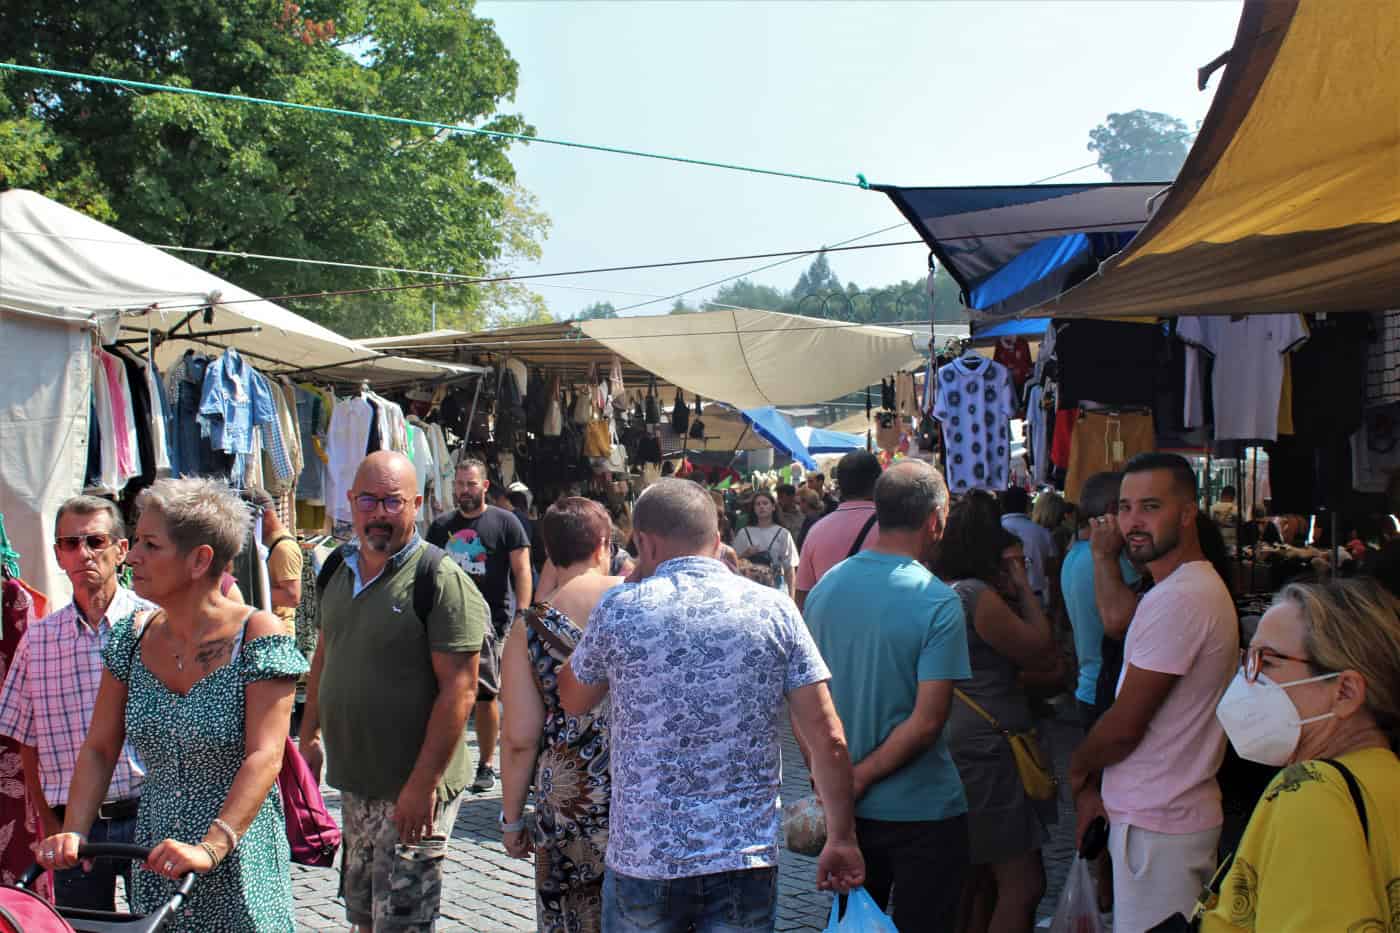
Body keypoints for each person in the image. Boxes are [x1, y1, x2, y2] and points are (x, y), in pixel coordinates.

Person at [557, 479, 864, 931]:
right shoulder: (774, 610)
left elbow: (573, 698)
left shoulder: (621, 609)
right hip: (742, 858)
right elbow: (829, 738)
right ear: (717, 540)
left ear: (644, 542)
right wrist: (842, 835)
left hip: (646, 856)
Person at [37, 477, 307, 929]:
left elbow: (266, 755)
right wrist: (76, 831)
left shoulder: (257, 637)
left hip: (238, 852)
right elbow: (100, 747)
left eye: (149, 544)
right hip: (157, 854)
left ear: (200, 560)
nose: (133, 556)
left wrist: (211, 847)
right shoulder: (131, 637)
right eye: (137, 540)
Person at [299, 451, 487, 932]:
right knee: (363, 915)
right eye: (368, 499)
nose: (378, 512)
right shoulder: (336, 569)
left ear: (417, 504)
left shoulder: (437, 579)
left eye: (392, 501)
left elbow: (459, 692)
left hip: (413, 789)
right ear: (350, 501)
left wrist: (422, 785)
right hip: (357, 782)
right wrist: (310, 736)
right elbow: (326, 654)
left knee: (401, 924)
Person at [1069, 453, 1239, 933]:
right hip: (1160, 817)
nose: (1132, 522)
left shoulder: (1182, 596)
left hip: (1161, 822)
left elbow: (1126, 725)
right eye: (1124, 508)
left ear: (1187, 513)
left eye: (1149, 507)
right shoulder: (1174, 590)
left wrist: (1079, 770)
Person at [803, 461, 971, 932]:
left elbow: (804, 706)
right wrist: (858, 778)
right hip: (923, 810)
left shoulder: (824, 589)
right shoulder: (937, 600)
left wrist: (835, 780)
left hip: (847, 811)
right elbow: (927, 721)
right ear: (935, 521)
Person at [1197, 578, 1400, 931]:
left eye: (1268, 662)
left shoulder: (1310, 792)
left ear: (1345, 692)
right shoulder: (1385, 774)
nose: (1247, 678)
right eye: (1248, 658)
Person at [0, 496, 152, 910]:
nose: (82, 553)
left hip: (149, 816)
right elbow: (24, 739)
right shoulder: (38, 639)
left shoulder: (155, 625)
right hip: (73, 828)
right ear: (57, 555)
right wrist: (51, 825)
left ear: (121, 550)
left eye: (95, 540)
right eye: (69, 543)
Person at [933, 492, 1059, 933]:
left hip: (960, 739)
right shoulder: (975, 596)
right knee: (1022, 882)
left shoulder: (942, 591)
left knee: (976, 880)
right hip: (990, 747)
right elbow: (1039, 646)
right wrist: (1022, 584)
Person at [500, 497, 623, 933]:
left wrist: (512, 818)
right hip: (639, 786)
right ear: (604, 544)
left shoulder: (529, 628)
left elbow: (518, 737)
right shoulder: (638, 602)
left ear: (548, 552)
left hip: (569, 796)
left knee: (570, 912)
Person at [427, 458, 532, 793]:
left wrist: (523, 615)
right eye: (459, 484)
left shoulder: (506, 523)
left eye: (470, 484)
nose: (464, 491)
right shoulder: (441, 525)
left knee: (486, 694)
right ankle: (447, 760)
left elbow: (522, 570)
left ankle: (486, 764)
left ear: (485, 486)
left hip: (493, 622)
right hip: (447, 622)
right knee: (445, 694)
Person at [1060, 473, 1141, 729]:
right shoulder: (1106, 562)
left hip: (1090, 687)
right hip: (1108, 689)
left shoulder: (1075, 554)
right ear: (1110, 511)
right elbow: (1123, 622)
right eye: (1126, 507)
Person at [795, 451, 884, 610]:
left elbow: (802, 596)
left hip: (827, 629)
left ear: (840, 484)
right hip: (880, 628)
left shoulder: (816, 531)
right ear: (879, 482)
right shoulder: (892, 528)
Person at [241, 487, 302, 635]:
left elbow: (292, 596)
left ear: (264, 515)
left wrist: (251, 589)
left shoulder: (283, 548)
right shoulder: (266, 541)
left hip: (279, 634)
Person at [732, 490, 798, 597]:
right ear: (754, 509)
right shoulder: (744, 533)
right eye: (758, 504)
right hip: (749, 589)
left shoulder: (783, 534)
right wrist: (746, 554)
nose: (761, 507)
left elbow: (789, 568)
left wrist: (792, 597)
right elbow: (732, 563)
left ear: (773, 507)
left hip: (776, 588)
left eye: (765, 503)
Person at [999, 487, 1055, 609]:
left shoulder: (995, 529)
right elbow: (1052, 572)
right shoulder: (1043, 533)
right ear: (1027, 505)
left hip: (1002, 601)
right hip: (1035, 599)